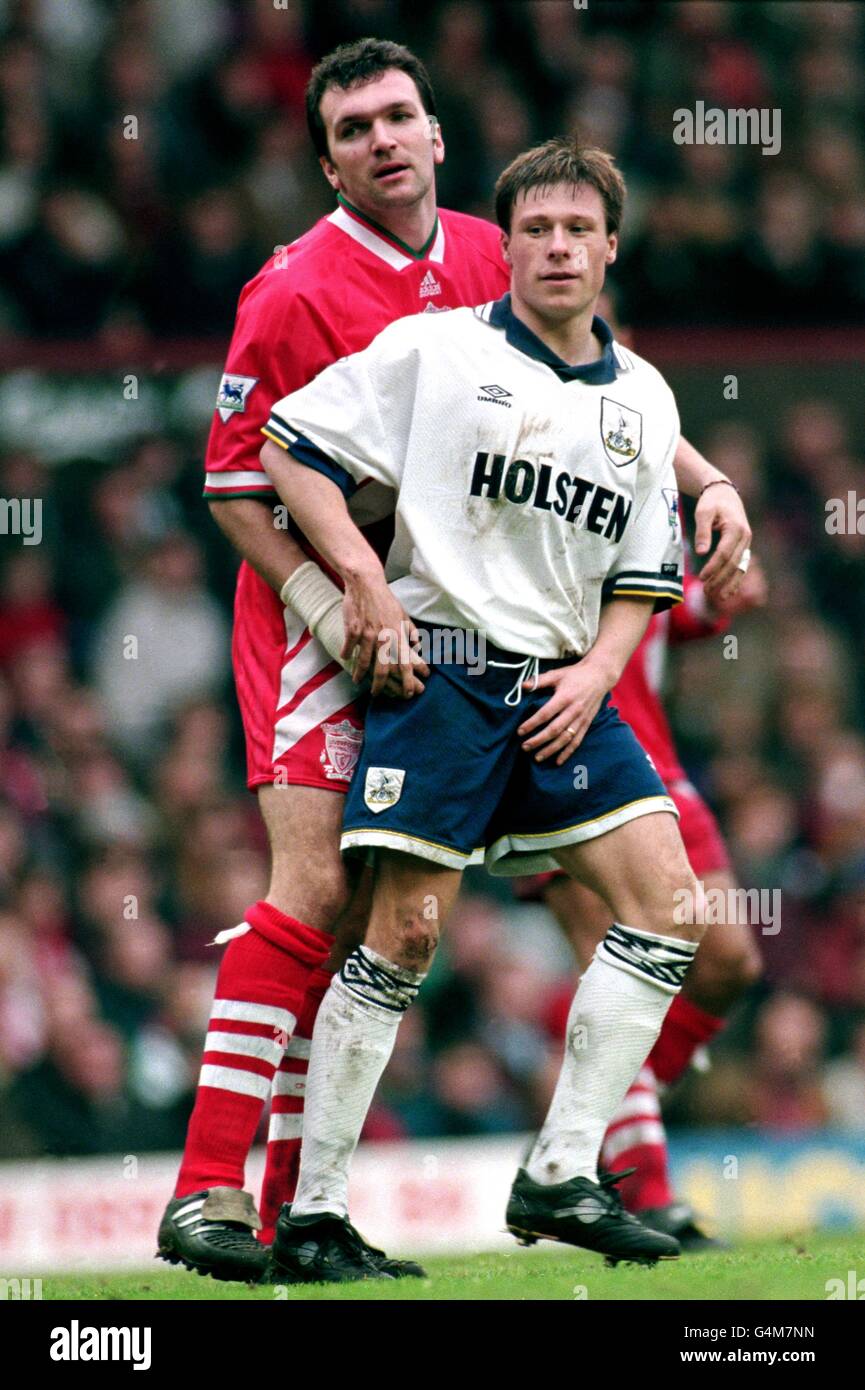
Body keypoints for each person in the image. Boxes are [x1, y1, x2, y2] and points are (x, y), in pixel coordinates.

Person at [159, 38, 751, 1285]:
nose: (382, 141)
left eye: (399, 117)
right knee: (318, 899)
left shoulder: (505, 245)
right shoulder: (290, 290)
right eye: (354, 128)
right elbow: (233, 487)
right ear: (326, 161)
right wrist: (344, 604)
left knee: (624, 910)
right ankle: (212, 1196)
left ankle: (349, 1207)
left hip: (482, 630)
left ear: (436, 135)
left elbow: (622, 397)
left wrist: (705, 484)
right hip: (320, 602)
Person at [521, 552, 766, 1249]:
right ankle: (652, 1199)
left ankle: (587, 1116)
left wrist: (725, 591)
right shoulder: (545, 498)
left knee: (729, 960)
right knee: (616, 970)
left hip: (656, 765)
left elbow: (680, 611)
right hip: (559, 754)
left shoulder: (651, 514)